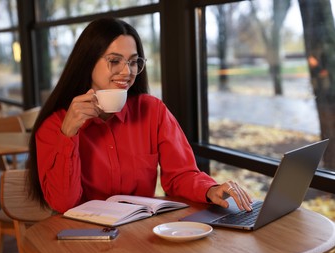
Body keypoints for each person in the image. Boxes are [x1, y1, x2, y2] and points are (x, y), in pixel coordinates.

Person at [26, 17, 252, 214]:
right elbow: (63, 203)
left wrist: (210, 189)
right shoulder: (55, 124)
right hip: (84, 238)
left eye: (133, 62)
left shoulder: (152, 111)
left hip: (139, 232)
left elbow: (180, 175)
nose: (127, 72)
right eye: (114, 61)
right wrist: (69, 134)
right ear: (87, 62)